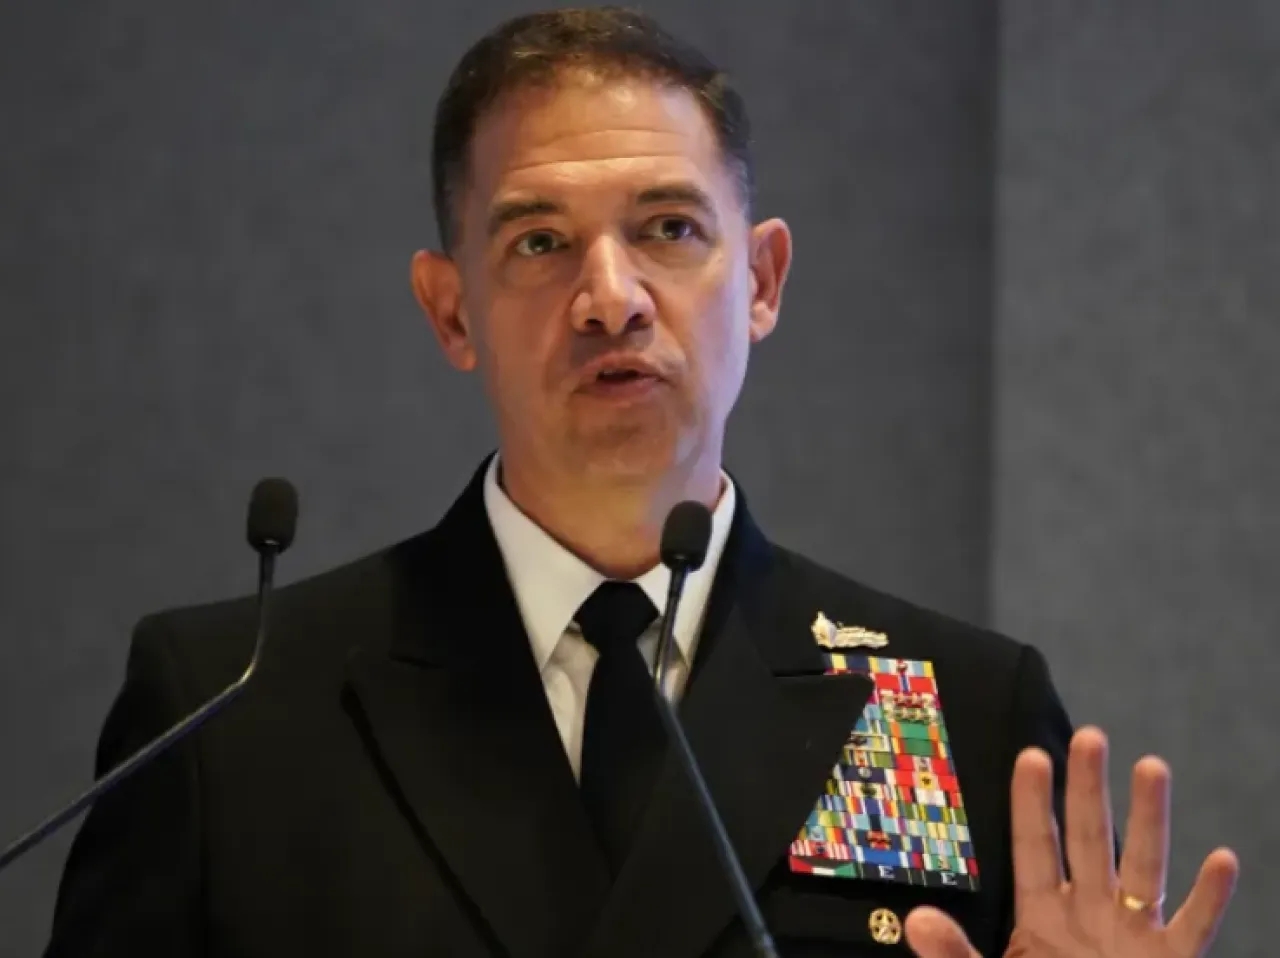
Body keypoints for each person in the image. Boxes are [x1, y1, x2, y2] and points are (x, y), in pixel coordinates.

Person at [44, 8, 1237, 958]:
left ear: (759, 282)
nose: (609, 297)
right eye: (538, 241)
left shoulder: (961, 710)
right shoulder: (230, 714)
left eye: (667, 229)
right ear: (450, 309)